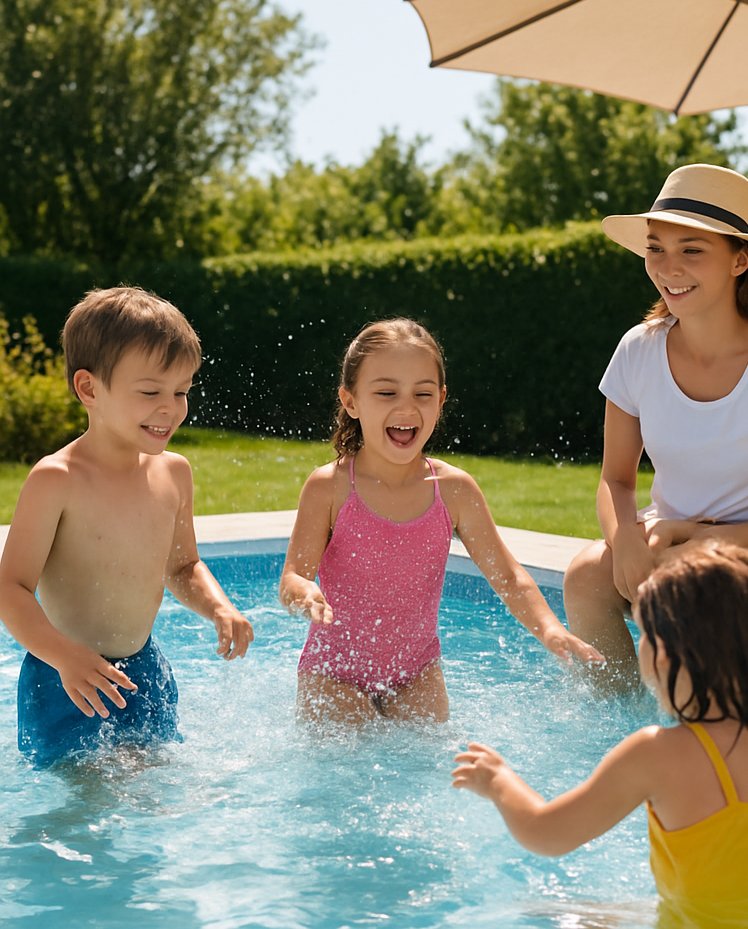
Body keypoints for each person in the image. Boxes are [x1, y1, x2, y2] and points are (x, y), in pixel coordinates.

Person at [453, 544, 748, 929]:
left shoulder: (655, 753)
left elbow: (547, 833)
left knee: (555, 914)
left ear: (661, 656)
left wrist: (498, 780)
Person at [564, 163, 748, 686]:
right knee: (584, 577)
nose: (669, 267)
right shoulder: (637, 350)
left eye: (692, 250)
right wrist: (624, 539)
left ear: (740, 260)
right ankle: (618, 725)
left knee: (688, 587)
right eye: (656, 248)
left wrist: (704, 546)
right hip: (668, 541)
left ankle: (695, 749)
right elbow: (617, 478)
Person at [279, 317, 603, 724]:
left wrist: (550, 629)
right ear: (350, 401)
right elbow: (292, 577)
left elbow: (508, 575)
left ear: (441, 399)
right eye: (385, 392)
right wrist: (304, 592)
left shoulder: (454, 490)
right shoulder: (330, 487)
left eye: (422, 393)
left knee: (426, 774)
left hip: (417, 673)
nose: (406, 407)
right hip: (334, 675)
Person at [0, 287, 254, 768]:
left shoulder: (173, 474)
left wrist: (219, 608)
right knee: (88, 805)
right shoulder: (58, 479)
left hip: (144, 669)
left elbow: (182, 566)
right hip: (64, 677)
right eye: (150, 392)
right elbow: (10, 588)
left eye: (180, 391)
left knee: (156, 794)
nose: (171, 408)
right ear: (90, 389)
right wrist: (64, 657)